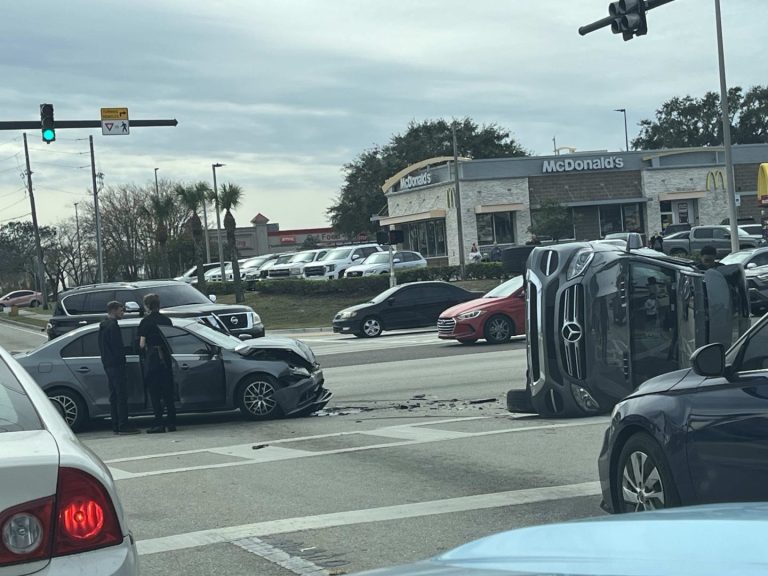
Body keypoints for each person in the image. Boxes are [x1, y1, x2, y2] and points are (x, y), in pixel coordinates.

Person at [98, 301, 139, 435]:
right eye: (121, 310)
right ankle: (123, 424)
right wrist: (123, 358)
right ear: (114, 310)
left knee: (114, 395)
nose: (123, 313)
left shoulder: (103, 325)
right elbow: (117, 347)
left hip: (108, 364)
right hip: (116, 365)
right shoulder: (113, 326)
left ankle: (115, 423)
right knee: (121, 395)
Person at [138, 293, 176, 433]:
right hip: (166, 360)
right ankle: (172, 422)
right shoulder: (167, 320)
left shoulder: (145, 322)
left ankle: (159, 423)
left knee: (155, 394)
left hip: (153, 361)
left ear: (147, 305)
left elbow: (141, 344)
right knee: (168, 393)